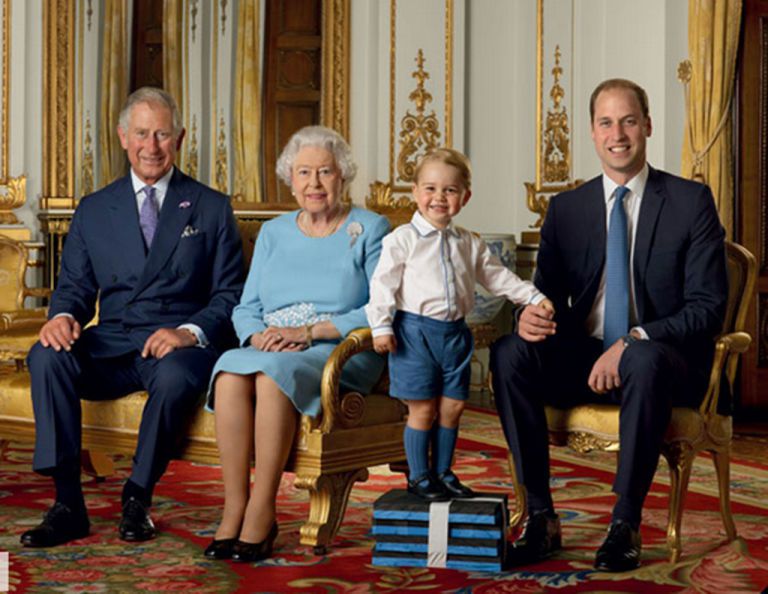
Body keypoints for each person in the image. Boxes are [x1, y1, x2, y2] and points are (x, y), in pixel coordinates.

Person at [490, 79, 728, 572]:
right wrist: (529, 315)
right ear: (592, 134)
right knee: (510, 351)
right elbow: (547, 297)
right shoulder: (567, 209)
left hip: (664, 359)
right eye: (605, 122)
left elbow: (707, 307)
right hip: (586, 357)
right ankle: (540, 516)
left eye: (628, 121)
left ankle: (625, 524)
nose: (617, 133)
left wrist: (635, 338)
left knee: (640, 356)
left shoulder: (690, 202)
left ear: (647, 126)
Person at [20, 87, 245, 548]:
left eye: (162, 134)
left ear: (179, 138)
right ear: (123, 137)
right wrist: (62, 316)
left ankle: (137, 498)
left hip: (177, 345)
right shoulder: (95, 208)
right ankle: (67, 504)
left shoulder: (211, 206)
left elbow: (231, 295)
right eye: (142, 133)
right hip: (114, 340)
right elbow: (75, 290)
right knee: (46, 355)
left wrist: (188, 332)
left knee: (177, 376)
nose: (152, 145)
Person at [203, 125, 390, 563]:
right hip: (271, 346)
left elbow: (381, 307)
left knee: (272, 379)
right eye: (304, 172)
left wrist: (310, 333)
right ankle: (235, 507)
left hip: (337, 351)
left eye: (325, 172)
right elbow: (245, 306)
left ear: (343, 176)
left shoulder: (370, 228)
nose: (314, 183)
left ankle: (263, 509)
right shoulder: (274, 232)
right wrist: (257, 335)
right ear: (290, 178)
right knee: (230, 371)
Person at [366, 148, 554, 502]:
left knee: (452, 407)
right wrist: (381, 327)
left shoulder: (468, 243)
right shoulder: (401, 240)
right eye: (431, 189)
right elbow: (382, 286)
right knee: (422, 408)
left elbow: (498, 278)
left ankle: (443, 472)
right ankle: (419, 476)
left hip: (455, 335)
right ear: (415, 193)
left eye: (450, 190)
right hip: (414, 334)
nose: (439, 198)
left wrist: (531, 297)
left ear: (464, 197)